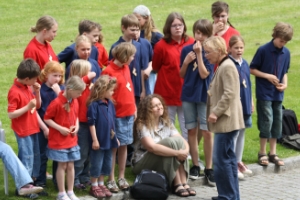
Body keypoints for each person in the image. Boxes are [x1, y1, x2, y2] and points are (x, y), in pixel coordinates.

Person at [203, 36, 244, 200]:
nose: (206, 55)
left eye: (208, 52)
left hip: (226, 122)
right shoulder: (224, 65)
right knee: (227, 160)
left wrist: (216, 112)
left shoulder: (227, 66)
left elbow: (230, 93)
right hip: (227, 122)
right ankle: (231, 195)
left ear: (219, 51)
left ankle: (227, 196)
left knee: (221, 160)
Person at [132, 94, 196, 197]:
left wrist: (185, 151)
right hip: (143, 162)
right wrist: (177, 153)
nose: (160, 107)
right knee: (170, 143)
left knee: (177, 142)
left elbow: (182, 140)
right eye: (155, 106)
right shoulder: (142, 124)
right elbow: (151, 147)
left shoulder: (166, 122)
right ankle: (177, 183)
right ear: (148, 110)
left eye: (160, 104)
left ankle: (184, 183)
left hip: (162, 158)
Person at [250, 22, 293, 167]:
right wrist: (267, 76)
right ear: (275, 36)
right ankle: (262, 151)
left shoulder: (286, 53)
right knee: (266, 120)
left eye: (285, 42)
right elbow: (252, 69)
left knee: (277, 121)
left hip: (277, 94)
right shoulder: (263, 50)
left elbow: (284, 72)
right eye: (281, 41)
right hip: (264, 93)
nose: (282, 44)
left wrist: (284, 84)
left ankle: (273, 152)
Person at [179, 19, 215, 186]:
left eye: (203, 34)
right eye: (197, 33)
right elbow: (181, 74)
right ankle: (194, 165)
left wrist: (200, 55)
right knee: (191, 130)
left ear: (209, 35)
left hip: (204, 96)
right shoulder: (186, 49)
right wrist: (186, 61)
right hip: (188, 95)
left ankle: (209, 168)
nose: (199, 36)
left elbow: (203, 74)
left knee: (207, 132)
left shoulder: (210, 52)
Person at [152, 12, 194, 141]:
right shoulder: (161, 45)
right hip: (166, 92)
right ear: (168, 28)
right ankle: (168, 154)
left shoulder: (191, 42)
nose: (177, 28)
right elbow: (156, 66)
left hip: (186, 91)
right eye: (174, 25)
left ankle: (187, 155)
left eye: (180, 25)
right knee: (166, 126)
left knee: (187, 126)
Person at [102, 42, 136, 192]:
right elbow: (105, 95)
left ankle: (121, 176)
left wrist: (134, 106)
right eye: (131, 56)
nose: (133, 58)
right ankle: (110, 178)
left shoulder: (126, 67)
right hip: (117, 115)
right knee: (114, 147)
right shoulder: (108, 71)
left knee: (124, 146)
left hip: (129, 114)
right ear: (124, 56)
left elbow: (130, 87)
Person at [44, 76, 85, 200]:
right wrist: (60, 128)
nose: (80, 95)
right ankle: (61, 193)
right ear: (71, 90)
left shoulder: (75, 101)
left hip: (71, 140)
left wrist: (76, 127)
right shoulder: (56, 103)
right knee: (62, 166)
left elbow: (76, 116)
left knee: (71, 165)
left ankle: (70, 191)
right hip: (59, 141)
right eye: (79, 92)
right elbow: (47, 118)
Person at [7, 59, 41, 199]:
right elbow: (11, 114)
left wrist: (37, 92)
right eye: (34, 79)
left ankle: (31, 184)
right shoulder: (14, 92)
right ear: (27, 79)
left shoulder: (28, 87)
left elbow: (37, 106)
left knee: (35, 157)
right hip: (23, 130)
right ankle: (22, 187)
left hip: (32, 128)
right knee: (27, 158)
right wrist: (27, 107)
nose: (36, 81)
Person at [86, 75, 119, 198]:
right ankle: (94, 185)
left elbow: (112, 122)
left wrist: (115, 137)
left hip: (109, 139)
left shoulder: (109, 103)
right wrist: (95, 139)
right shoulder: (94, 105)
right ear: (102, 90)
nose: (112, 92)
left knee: (107, 162)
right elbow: (91, 123)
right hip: (98, 140)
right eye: (111, 90)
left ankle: (101, 183)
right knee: (97, 162)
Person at [35, 61, 65, 191]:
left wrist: (59, 93)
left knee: (58, 156)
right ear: (46, 75)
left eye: (59, 76)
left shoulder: (61, 90)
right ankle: (40, 180)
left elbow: (66, 107)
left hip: (58, 127)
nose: (57, 79)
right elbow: (38, 109)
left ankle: (57, 180)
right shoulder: (40, 90)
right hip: (44, 128)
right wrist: (44, 128)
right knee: (43, 155)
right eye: (54, 75)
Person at [228, 35, 253, 179]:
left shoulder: (245, 63)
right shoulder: (229, 64)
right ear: (230, 48)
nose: (239, 50)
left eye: (241, 47)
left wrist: (251, 102)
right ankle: (232, 163)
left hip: (245, 103)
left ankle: (239, 160)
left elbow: (248, 83)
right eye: (236, 48)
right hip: (235, 105)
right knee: (234, 134)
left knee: (242, 132)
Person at [69, 59, 96, 190]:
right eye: (87, 71)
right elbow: (76, 87)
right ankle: (75, 178)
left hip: (90, 123)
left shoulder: (89, 85)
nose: (91, 73)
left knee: (89, 153)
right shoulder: (79, 86)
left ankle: (85, 176)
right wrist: (86, 78)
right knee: (81, 153)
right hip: (81, 124)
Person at [109, 14, 148, 105]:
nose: (135, 32)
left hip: (136, 87)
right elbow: (111, 69)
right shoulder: (116, 47)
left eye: (137, 30)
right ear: (123, 28)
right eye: (132, 30)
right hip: (121, 88)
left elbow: (141, 68)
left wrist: (143, 89)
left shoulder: (139, 45)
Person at [133, 5, 163, 94]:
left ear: (146, 18)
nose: (135, 22)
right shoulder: (135, 32)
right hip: (136, 72)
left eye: (138, 20)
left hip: (149, 74)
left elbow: (159, 57)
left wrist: (150, 68)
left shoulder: (156, 36)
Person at [211, 1, 240, 71]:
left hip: (227, 71)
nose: (220, 19)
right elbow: (201, 50)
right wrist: (213, 32)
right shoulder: (207, 31)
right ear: (213, 16)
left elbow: (238, 55)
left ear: (228, 15)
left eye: (223, 16)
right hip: (210, 73)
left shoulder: (234, 33)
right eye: (217, 16)